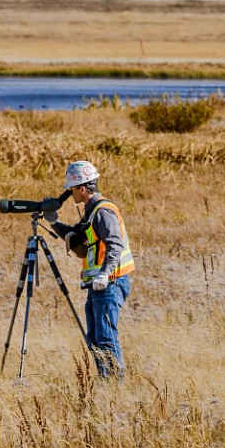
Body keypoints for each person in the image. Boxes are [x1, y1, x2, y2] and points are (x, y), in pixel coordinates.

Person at [44, 161, 135, 378]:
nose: (70, 194)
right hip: (98, 284)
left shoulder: (103, 211)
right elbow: (75, 235)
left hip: (110, 282)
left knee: (105, 337)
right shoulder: (91, 212)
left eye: (72, 189)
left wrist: (104, 273)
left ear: (81, 189)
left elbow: (115, 244)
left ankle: (116, 386)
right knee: (94, 339)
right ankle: (106, 382)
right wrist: (54, 221)